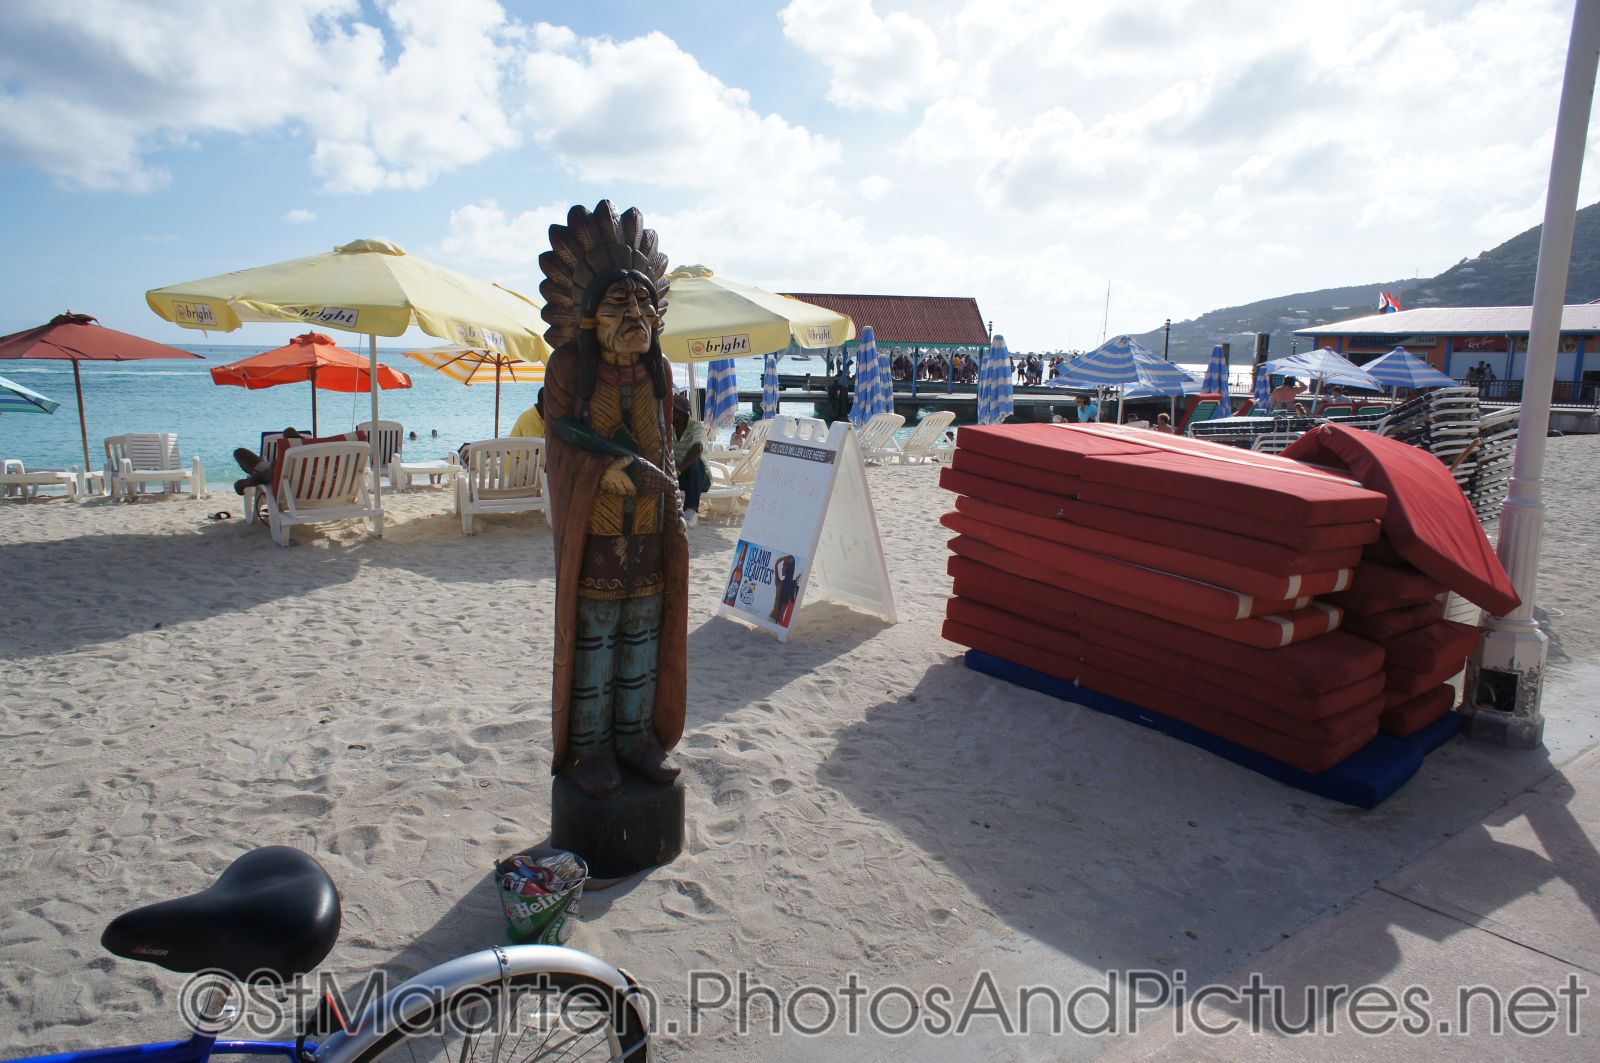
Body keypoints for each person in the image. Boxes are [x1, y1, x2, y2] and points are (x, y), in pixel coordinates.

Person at [539, 200, 687, 799]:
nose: (635, 314)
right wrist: (607, 467)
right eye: (618, 304)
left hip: (650, 529)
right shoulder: (572, 369)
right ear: (590, 319)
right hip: (599, 532)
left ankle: (635, 739)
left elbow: (668, 440)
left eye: (644, 303)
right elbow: (561, 437)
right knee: (598, 639)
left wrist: (671, 488)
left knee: (643, 639)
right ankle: (592, 748)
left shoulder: (659, 373)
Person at [671, 391, 710, 526]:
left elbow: (698, 448)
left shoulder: (696, 427)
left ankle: (691, 510)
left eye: (670, 410)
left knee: (695, 461)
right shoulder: (669, 428)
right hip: (678, 475)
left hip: (699, 479)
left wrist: (679, 470)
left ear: (680, 413)